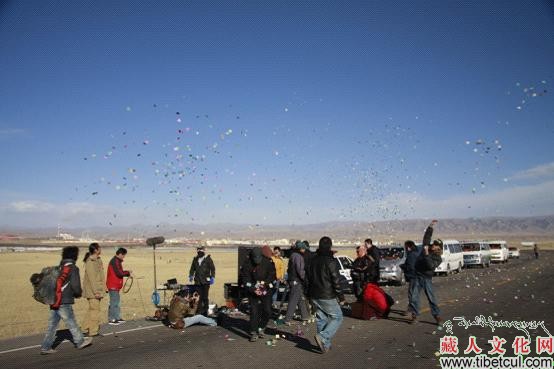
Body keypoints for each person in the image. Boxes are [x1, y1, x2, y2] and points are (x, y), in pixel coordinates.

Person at [40, 246, 93, 354]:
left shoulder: (59, 267)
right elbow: (75, 285)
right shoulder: (73, 268)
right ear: (75, 255)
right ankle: (80, 341)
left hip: (54, 299)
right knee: (71, 321)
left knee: (52, 325)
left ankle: (45, 347)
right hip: (64, 300)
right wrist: (78, 294)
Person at [308, 236, 345, 354]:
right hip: (327, 295)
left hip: (314, 295)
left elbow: (307, 279)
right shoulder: (331, 261)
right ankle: (323, 337)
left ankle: (325, 345)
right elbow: (336, 281)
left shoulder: (312, 260)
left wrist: (307, 294)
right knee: (338, 317)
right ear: (330, 246)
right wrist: (342, 298)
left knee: (321, 319)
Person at [407, 220, 443, 325]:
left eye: (435, 244)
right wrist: (430, 227)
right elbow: (426, 238)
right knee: (414, 297)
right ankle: (414, 315)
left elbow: (430, 266)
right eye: (433, 243)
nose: (433, 245)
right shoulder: (426, 248)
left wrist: (427, 254)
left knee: (431, 297)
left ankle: (437, 316)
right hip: (417, 276)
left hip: (426, 278)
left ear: (439, 248)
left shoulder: (438, 258)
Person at [240, 247, 276, 342]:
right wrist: (253, 288)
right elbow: (245, 280)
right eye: (255, 259)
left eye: (258, 259)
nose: (257, 261)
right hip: (253, 290)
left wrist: (265, 284)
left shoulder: (268, 262)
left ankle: (261, 326)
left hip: (266, 289)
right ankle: (253, 332)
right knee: (254, 311)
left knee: (267, 310)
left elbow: (272, 275)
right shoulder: (247, 264)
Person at [82, 243, 105, 337]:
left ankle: (84, 328)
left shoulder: (98, 260)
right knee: (95, 310)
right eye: (99, 248)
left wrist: (104, 288)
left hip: (98, 289)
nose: (101, 249)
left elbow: (101, 276)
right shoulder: (90, 262)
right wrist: (96, 292)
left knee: (92, 310)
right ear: (96, 250)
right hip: (93, 291)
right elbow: (92, 279)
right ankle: (93, 332)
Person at [284, 241, 310, 324]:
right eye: (303, 249)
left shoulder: (293, 255)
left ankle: (305, 315)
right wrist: (304, 278)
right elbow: (300, 270)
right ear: (300, 249)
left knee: (300, 298)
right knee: (293, 300)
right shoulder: (298, 257)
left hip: (293, 279)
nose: (305, 250)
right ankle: (287, 318)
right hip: (296, 280)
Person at [106, 247, 131, 325]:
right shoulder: (115, 261)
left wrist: (127, 273)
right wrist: (127, 272)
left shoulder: (117, 261)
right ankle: (112, 319)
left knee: (117, 302)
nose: (124, 257)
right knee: (114, 302)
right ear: (120, 254)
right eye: (123, 255)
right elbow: (119, 273)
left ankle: (117, 317)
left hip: (116, 285)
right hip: (113, 285)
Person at [188, 246, 216, 316]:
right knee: (199, 297)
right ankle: (199, 311)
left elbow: (212, 268)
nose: (199, 252)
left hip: (206, 282)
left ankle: (205, 311)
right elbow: (192, 269)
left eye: (201, 251)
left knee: (205, 297)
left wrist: (212, 277)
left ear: (204, 251)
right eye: (198, 251)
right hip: (197, 281)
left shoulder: (208, 259)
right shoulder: (195, 259)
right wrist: (191, 275)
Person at [400, 240, 421, 315]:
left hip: (414, 277)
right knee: (413, 294)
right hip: (417, 277)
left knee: (412, 295)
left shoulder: (412, 255)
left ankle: (414, 314)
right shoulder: (417, 253)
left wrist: (403, 266)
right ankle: (410, 309)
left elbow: (410, 267)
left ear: (408, 247)